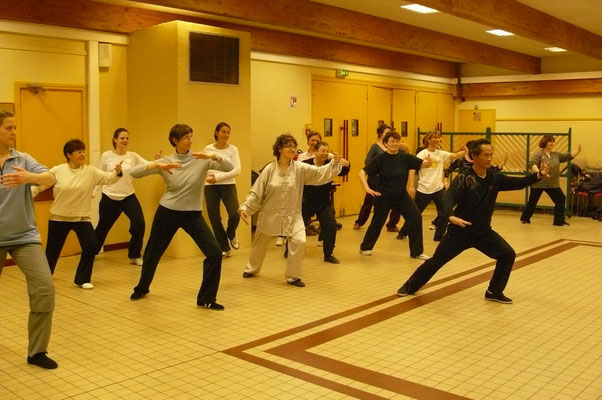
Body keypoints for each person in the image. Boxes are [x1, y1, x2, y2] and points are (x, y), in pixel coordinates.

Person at [396, 139, 549, 304]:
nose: (489, 159)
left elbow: (518, 183)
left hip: (483, 232)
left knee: (507, 254)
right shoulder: (464, 178)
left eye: (491, 155)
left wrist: (538, 175)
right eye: (485, 155)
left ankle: (493, 291)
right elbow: (449, 197)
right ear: (474, 156)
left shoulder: (494, 177)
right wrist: (449, 215)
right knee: (436, 261)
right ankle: (410, 286)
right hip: (460, 232)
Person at [128, 124, 232, 310]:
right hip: (168, 212)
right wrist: (156, 165)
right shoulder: (166, 161)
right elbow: (134, 173)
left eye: (191, 136)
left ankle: (206, 299)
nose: (191, 141)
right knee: (152, 252)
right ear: (175, 141)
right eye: (186, 137)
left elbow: (229, 167)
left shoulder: (201, 158)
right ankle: (142, 288)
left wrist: (213, 156)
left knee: (215, 252)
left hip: (192, 214)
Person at [239, 134, 345, 287]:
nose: (292, 149)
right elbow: (257, 191)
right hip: (270, 213)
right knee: (260, 243)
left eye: (294, 146)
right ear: (279, 149)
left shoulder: (300, 168)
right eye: (288, 145)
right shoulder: (269, 169)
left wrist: (333, 164)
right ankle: (252, 268)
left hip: (292, 214)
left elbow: (319, 173)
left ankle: (293, 276)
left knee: (300, 241)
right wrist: (246, 208)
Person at [0, 110, 58, 369]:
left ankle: (37, 352)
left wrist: (28, 177)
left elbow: (51, 177)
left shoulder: (21, 159)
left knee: (44, 289)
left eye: (15, 127)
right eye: (9, 128)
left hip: (25, 236)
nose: (14, 132)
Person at [32, 139, 122, 290]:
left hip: (82, 217)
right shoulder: (58, 170)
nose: (82, 154)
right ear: (69, 155)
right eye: (78, 151)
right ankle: (45, 277)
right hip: (58, 217)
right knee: (52, 251)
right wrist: (25, 196)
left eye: (83, 151)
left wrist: (117, 172)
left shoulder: (91, 171)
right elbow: (40, 186)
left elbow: (109, 178)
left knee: (92, 245)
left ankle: (82, 279)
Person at [359, 130, 432, 259]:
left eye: (397, 141)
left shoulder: (405, 157)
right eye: (392, 141)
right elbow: (362, 172)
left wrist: (428, 162)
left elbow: (423, 164)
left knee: (415, 217)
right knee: (377, 222)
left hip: (401, 196)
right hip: (384, 196)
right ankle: (365, 247)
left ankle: (416, 252)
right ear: (386, 143)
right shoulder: (380, 159)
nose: (395, 143)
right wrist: (367, 188)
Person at [94, 128, 148, 266]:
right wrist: (94, 191)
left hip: (128, 196)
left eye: (127, 138)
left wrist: (158, 162)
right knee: (102, 228)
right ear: (115, 140)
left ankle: (134, 255)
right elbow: (100, 174)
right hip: (109, 196)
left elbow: (146, 165)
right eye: (122, 138)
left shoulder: (133, 156)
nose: (125, 141)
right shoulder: (107, 156)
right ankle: (90, 252)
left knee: (139, 223)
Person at [398, 130, 465, 241]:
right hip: (424, 189)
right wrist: (411, 185)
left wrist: (464, 151)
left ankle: (439, 236)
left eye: (439, 137)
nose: (437, 140)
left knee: (445, 212)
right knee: (415, 214)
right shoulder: (422, 154)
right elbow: (412, 168)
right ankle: (403, 232)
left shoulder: (441, 153)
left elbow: (454, 155)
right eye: (435, 137)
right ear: (429, 140)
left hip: (438, 189)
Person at [302, 141, 350, 264]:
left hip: (323, 201)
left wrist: (346, 163)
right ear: (316, 152)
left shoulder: (330, 163)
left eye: (326, 151)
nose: (324, 153)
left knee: (330, 225)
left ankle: (328, 254)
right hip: (306, 201)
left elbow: (343, 171)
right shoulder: (305, 164)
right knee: (298, 227)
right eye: (322, 151)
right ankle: (289, 249)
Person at [354, 124, 407, 232]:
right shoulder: (375, 147)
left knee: (397, 203)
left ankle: (391, 224)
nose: (389, 135)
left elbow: (402, 158)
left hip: (392, 182)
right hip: (375, 180)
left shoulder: (395, 147)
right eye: (386, 133)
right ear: (380, 135)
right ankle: (359, 221)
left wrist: (406, 148)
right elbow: (368, 161)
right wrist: (378, 171)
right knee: (369, 201)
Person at [520, 136, 582, 226]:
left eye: (553, 142)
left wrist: (578, 150)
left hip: (553, 184)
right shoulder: (538, 154)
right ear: (544, 143)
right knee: (532, 202)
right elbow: (531, 164)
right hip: (539, 183)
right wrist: (539, 173)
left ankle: (559, 221)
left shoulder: (556, 155)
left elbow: (568, 156)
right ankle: (525, 218)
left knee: (561, 199)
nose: (552, 143)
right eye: (550, 142)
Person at [202, 122, 241, 258]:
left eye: (228, 132)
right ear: (216, 133)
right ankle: (224, 248)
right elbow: (203, 165)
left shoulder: (233, 149)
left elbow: (237, 170)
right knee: (214, 218)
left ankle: (231, 234)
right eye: (223, 131)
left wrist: (218, 177)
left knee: (235, 214)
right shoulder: (207, 148)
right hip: (210, 186)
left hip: (228, 184)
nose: (226, 134)